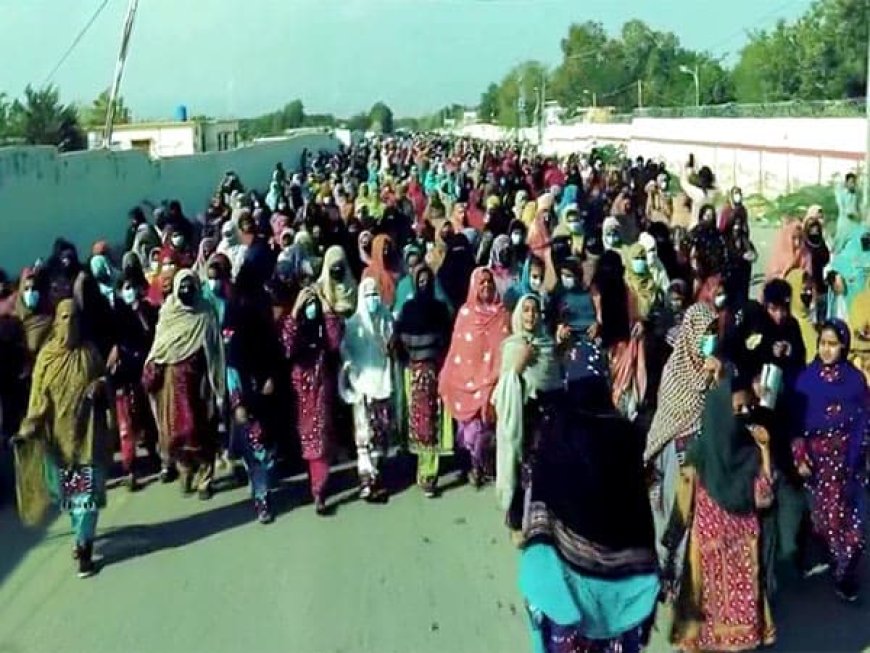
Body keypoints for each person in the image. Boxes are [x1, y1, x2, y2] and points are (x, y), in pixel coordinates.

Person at [520, 372, 659, 653]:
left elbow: (539, 505)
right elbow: (639, 510)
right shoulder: (627, 436)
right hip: (623, 580)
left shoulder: (557, 431)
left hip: (563, 578)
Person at [670, 375, 777, 651]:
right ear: (719, 412)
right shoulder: (700, 455)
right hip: (709, 553)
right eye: (736, 409)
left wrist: (765, 450)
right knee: (706, 610)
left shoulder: (748, 451)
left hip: (741, 551)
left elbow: (764, 498)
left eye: (746, 408)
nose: (743, 415)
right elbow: (683, 501)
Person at [12, 299, 110, 577]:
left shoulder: (89, 352)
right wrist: (28, 429)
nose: (70, 324)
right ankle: (81, 535)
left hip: (88, 435)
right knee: (73, 496)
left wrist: (100, 386)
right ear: (56, 321)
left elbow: (104, 378)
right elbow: (38, 400)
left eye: (75, 318)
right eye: (65, 318)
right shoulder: (47, 358)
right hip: (61, 441)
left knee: (87, 496)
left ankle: (84, 546)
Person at [645, 303, 721, 596]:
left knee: (693, 519)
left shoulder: (716, 370)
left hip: (704, 458)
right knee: (670, 514)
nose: (710, 338)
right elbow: (670, 413)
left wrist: (719, 377)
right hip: (675, 454)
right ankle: (664, 569)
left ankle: (680, 578)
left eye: (713, 332)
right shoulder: (676, 370)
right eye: (705, 333)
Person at [792, 319, 868, 602]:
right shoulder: (806, 380)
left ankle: (845, 576)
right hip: (817, 466)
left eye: (833, 344)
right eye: (822, 343)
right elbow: (796, 424)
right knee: (825, 523)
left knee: (854, 528)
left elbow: (864, 420)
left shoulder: (855, 382)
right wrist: (799, 455)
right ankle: (830, 564)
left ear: (844, 346)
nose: (826, 349)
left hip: (849, 464)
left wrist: (859, 454)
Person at [142, 270, 226, 498]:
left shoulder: (205, 312)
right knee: (175, 435)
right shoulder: (169, 312)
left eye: (191, 286)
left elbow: (215, 350)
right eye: (183, 286)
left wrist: (215, 385)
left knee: (201, 431)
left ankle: (205, 480)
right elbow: (158, 348)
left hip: (199, 382)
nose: (187, 290)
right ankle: (185, 470)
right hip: (172, 384)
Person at [493, 294, 566, 541]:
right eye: (525, 310)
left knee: (543, 470)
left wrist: (561, 349)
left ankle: (542, 523)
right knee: (518, 468)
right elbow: (502, 388)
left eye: (535, 311)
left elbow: (555, 381)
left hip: (546, 416)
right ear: (518, 315)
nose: (530, 316)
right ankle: (515, 523)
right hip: (522, 416)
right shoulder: (512, 346)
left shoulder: (546, 345)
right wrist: (518, 366)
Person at [439, 267, 511, 487]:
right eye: (481, 283)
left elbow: (506, 346)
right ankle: (475, 466)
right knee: (472, 432)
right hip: (467, 379)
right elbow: (457, 348)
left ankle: (491, 465)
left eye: (489, 282)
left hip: (494, 378)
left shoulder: (502, 313)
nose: (486, 286)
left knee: (493, 427)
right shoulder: (465, 314)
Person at [280, 286, 344, 514]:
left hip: (322, 391)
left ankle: (319, 490)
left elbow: (335, 340)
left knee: (321, 438)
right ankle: (314, 484)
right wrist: (296, 309)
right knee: (306, 439)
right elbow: (286, 347)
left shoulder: (323, 333)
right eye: (308, 305)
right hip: (301, 394)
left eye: (313, 305)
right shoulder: (296, 332)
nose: (311, 309)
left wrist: (326, 307)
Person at [395, 265, 453, 497]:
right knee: (419, 421)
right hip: (414, 374)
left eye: (427, 280)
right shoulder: (408, 309)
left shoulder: (440, 310)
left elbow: (448, 340)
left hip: (437, 371)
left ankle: (430, 474)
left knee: (434, 421)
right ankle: (420, 466)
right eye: (419, 280)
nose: (423, 284)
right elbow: (399, 340)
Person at [340, 278, 395, 501]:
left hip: (383, 383)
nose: (372, 299)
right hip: (362, 387)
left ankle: (377, 475)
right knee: (364, 436)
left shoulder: (386, 319)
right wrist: (353, 376)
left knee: (381, 434)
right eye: (368, 295)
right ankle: (366, 480)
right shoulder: (354, 325)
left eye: (375, 294)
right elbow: (347, 354)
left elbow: (390, 350)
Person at [110, 267, 158, 490]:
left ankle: (156, 456)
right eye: (125, 288)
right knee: (127, 427)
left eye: (132, 287)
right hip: (126, 379)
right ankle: (130, 469)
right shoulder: (116, 316)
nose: (130, 292)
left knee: (149, 419)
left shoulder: (148, 310)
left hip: (145, 374)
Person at [315, 245, 357, 319]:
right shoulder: (319, 287)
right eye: (334, 265)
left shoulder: (351, 283)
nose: (337, 268)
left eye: (339, 264)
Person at [834, 173, 861, 253]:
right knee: (840, 244)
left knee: (854, 244)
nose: (853, 184)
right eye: (851, 182)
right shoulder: (841, 193)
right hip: (844, 222)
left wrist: (859, 217)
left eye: (854, 182)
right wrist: (849, 214)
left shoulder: (856, 194)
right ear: (846, 182)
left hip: (854, 223)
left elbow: (858, 208)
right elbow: (842, 208)